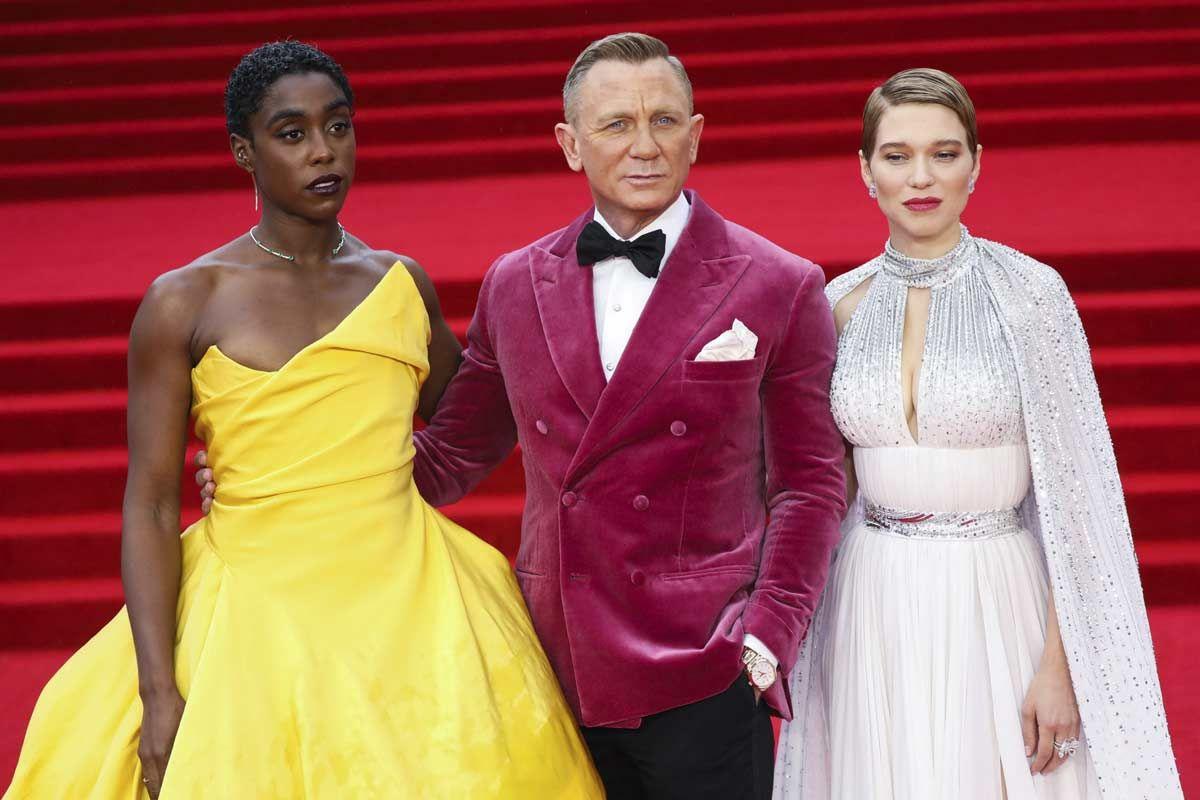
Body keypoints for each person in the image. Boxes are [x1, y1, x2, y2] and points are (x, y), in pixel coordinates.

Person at [197, 31, 844, 799]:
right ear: (571, 145)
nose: (645, 146)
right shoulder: (515, 283)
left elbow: (811, 482)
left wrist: (767, 635)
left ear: (696, 134)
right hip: (550, 664)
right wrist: (279, 476)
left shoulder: (780, 283)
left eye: (665, 121)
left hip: (704, 669)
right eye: (616, 125)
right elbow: (444, 461)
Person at [4, 41, 602, 799]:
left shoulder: (398, 281)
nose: (324, 153)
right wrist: (159, 693)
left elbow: (476, 423)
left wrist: (359, 459)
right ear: (243, 152)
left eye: (339, 127)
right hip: (254, 615)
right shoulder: (185, 300)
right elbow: (151, 503)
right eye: (292, 134)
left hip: (417, 607)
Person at [772, 68, 1182, 800]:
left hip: (998, 593)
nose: (920, 176)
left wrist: (1063, 666)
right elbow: (815, 487)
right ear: (866, 172)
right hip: (869, 600)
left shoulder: (1031, 294)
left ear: (977, 164)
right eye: (896, 156)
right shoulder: (834, 305)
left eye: (945, 152)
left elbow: (1080, 498)